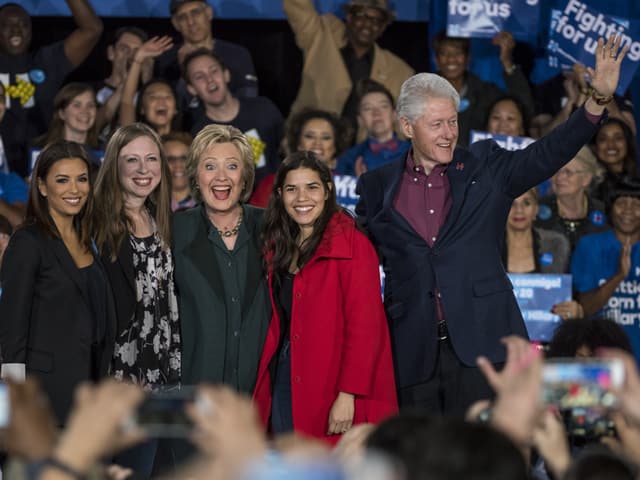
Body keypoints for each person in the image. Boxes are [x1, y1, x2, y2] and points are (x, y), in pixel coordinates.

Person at [355, 35, 628, 415]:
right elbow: (357, 257)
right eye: (436, 124)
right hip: (412, 352)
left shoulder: (486, 166)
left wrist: (595, 103)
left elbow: (545, 154)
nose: (449, 133)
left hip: (483, 345)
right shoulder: (376, 185)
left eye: (452, 121)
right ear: (406, 126)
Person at [253, 151, 397, 444]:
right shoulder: (275, 246)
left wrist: (347, 395)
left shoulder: (353, 244)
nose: (301, 198)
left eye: (312, 187)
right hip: (285, 373)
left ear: (328, 190)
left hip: (335, 381)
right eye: (291, 189)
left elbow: (366, 329)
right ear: (279, 195)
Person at [0, 140, 115, 424]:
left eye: (81, 179)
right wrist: (16, 406)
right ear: (42, 186)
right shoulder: (28, 242)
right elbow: (12, 331)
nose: (74, 190)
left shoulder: (88, 238)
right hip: (43, 397)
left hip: (90, 390)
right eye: (62, 180)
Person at [92, 123, 181, 475]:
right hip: (121, 378)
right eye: (132, 160)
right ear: (115, 166)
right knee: (126, 470)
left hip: (163, 376)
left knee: (155, 470)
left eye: (150, 159)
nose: (144, 170)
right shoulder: (98, 223)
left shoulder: (162, 220)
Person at [283, 0, 414, 140]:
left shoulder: (399, 71)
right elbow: (296, 5)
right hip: (312, 148)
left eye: (376, 20)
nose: (368, 24)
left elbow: (402, 127)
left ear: (382, 28)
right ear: (350, 18)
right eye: (362, 16)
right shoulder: (320, 36)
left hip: (363, 157)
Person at [0, 0, 103, 176]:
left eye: (23, 24)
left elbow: (92, 30)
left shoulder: (46, 62)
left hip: (42, 170)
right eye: (6, 25)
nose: (16, 30)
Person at [183, 48, 283, 184]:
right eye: (199, 77)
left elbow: (288, 149)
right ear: (191, 89)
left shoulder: (263, 108)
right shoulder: (199, 134)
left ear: (226, 75)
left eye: (214, 71)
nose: (209, 79)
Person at [155, 0, 258, 130]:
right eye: (182, 17)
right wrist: (183, 70)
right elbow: (173, 111)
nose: (190, 22)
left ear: (209, 13)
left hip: (237, 131)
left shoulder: (237, 54)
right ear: (176, 24)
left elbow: (250, 100)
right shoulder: (167, 60)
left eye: (195, 12)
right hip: (189, 136)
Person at [572, 177, 640, 362]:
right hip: (601, 359)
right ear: (611, 208)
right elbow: (586, 308)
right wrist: (619, 276)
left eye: (636, 204)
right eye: (621, 203)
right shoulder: (589, 246)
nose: (628, 210)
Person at [431, 30, 534, 146]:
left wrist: (507, 62)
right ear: (436, 59)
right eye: (444, 53)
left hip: (475, 163)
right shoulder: (422, 92)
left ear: (468, 58)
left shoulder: (485, 92)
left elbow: (523, 107)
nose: (451, 59)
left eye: (458, 53)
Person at [249, 108, 350, 208]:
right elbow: (256, 222)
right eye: (309, 136)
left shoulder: (347, 186)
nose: (317, 143)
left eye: (326, 138)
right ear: (298, 143)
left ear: (335, 146)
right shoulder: (273, 183)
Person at [536, 146, 609, 251]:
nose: (560, 177)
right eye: (556, 170)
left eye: (568, 172)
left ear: (586, 178)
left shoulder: (603, 212)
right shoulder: (537, 212)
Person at [336, 79, 410, 177]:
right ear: (360, 119)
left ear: (394, 114)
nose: (376, 113)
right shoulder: (349, 159)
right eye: (368, 108)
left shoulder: (416, 153)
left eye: (383, 106)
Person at [93, 26, 149, 141]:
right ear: (111, 53)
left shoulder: (147, 94)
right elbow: (92, 129)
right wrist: (124, 85)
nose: (131, 56)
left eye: (137, 51)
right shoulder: (90, 89)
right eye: (124, 49)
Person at [34, 83, 101, 171]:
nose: (85, 111)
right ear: (61, 113)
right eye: (77, 105)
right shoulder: (41, 150)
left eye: (90, 105)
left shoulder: (105, 150)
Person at [503, 188, 570, 274]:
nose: (519, 210)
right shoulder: (488, 246)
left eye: (526, 203)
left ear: (536, 209)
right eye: (511, 204)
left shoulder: (556, 243)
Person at [118, 36, 176, 136]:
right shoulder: (135, 138)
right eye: (153, 97)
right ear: (142, 109)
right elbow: (127, 101)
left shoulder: (188, 141)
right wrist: (139, 57)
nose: (161, 101)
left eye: (167, 96)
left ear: (176, 109)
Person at [591, 118, 638, 203]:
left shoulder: (637, 177)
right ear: (595, 146)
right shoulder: (589, 182)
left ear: (628, 143)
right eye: (603, 139)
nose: (611, 145)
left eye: (618, 138)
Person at [162, 131, 196, 211]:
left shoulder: (209, 206)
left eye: (184, 158)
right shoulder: (149, 208)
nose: (178, 165)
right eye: (170, 159)